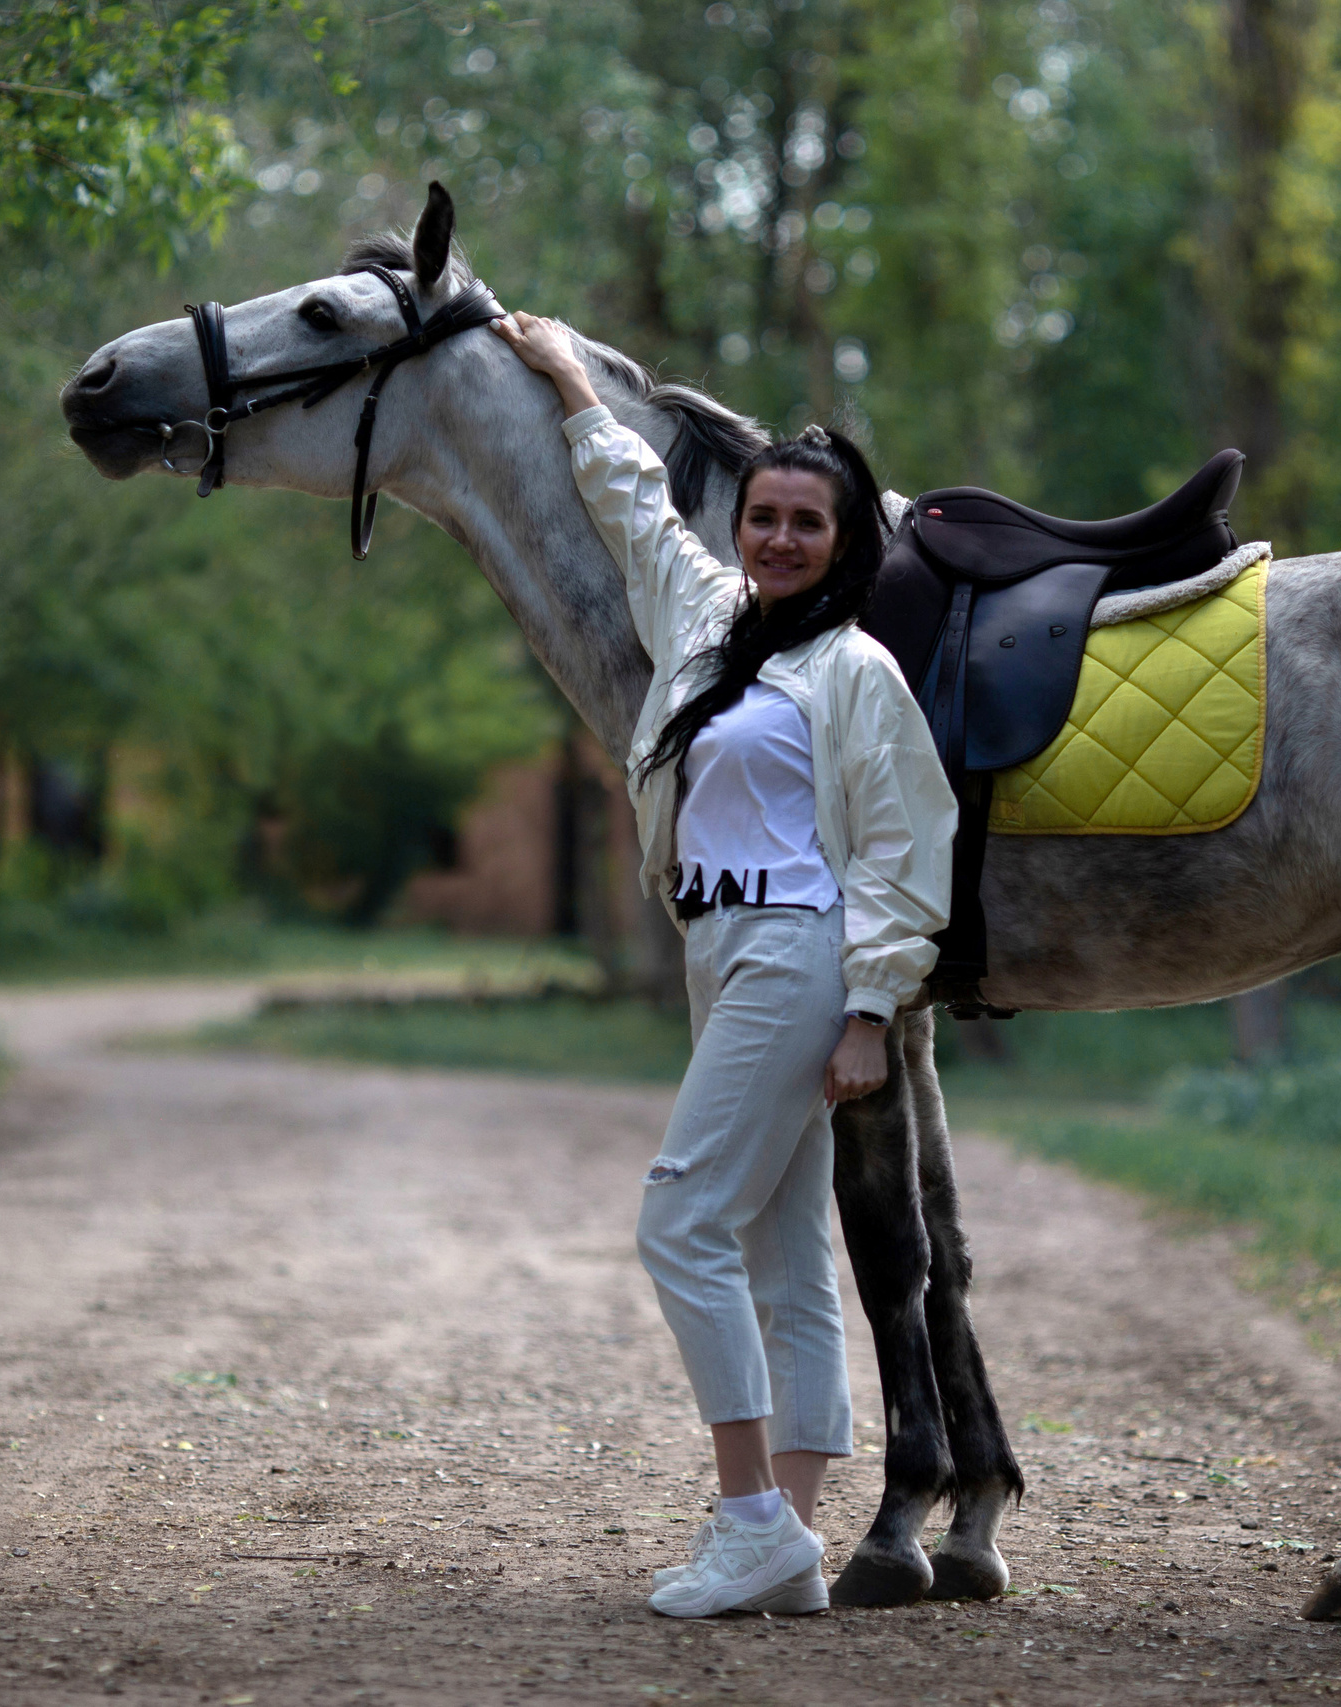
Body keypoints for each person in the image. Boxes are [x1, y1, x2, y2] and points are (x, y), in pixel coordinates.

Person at [490, 310, 955, 1619]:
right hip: (721, 945)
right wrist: (573, 379)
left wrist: (871, 1009)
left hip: (798, 954)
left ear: (846, 542)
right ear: (741, 525)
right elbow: (633, 502)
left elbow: (908, 851)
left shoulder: (854, 670)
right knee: (781, 1252)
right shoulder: (702, 614)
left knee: (680, 1219)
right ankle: (791, 1544)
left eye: (810, 523)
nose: (781, 538)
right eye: (765, 516)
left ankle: (748, 1514)